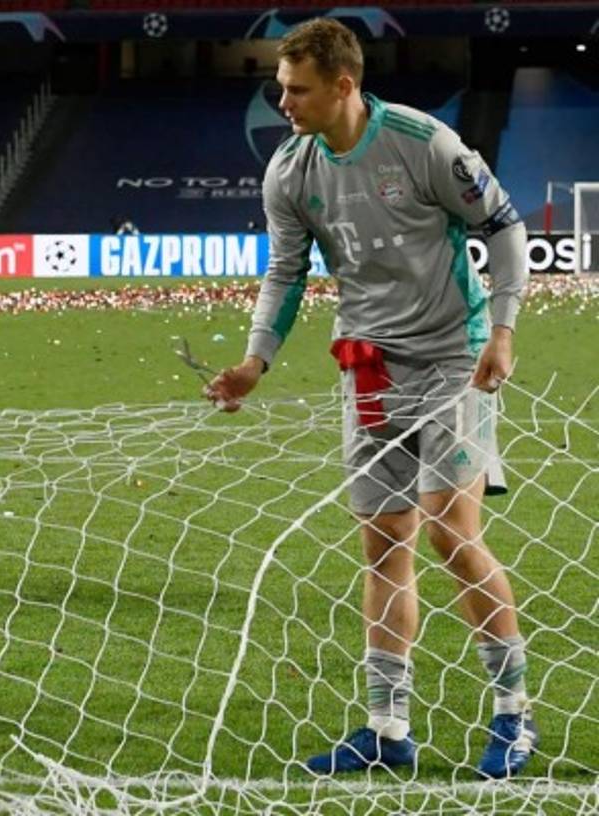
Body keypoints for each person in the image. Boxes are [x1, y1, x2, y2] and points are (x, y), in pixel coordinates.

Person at [205, 18, 535, 780]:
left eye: (297, 89)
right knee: (384, 547)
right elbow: (285, 274)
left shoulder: (424, 144)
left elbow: (506, 228)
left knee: (453, 535)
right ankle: (388, 727)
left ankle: (514, 715)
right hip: (369, 371)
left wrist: (505, 333)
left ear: (344, 85)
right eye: (281, 88)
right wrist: (257, 360)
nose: (282, 102)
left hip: (454, 359)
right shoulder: (290, 171)